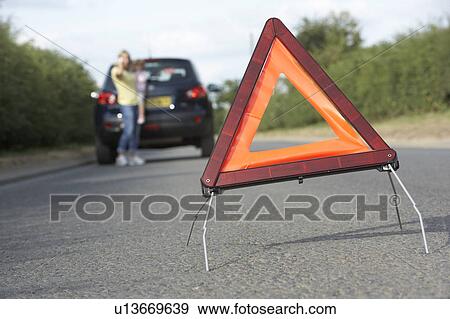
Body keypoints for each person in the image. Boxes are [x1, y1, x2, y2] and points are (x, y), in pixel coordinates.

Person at [111, 50, 144, 166]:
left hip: (136, 102)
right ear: (119, 59)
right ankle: (120, 154)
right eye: (123, 58)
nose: (126, 60)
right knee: (128, 130)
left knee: (135, 131)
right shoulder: (116, 70)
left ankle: (133, 155)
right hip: (125, 103)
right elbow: (119, 74)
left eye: (127, 58)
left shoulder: (131, 71)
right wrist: (120, 63)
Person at [134, 59, 148, 126]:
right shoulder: (135, 73)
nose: (138, 67)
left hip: (141, 91)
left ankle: (141, 116)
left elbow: (143, 80)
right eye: (137, 66)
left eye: (140, 66)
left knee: (141, 103)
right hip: (135, 91)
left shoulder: (143, 73)